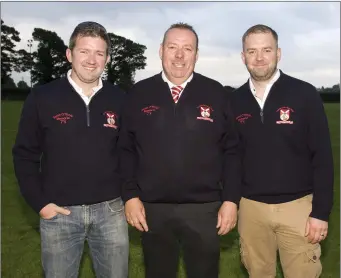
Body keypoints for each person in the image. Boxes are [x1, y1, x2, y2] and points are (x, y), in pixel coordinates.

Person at [118, 22, 241, 278]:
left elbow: (232, 150)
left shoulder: (216, 93)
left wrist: (230, 200)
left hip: (204, 208)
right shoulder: (139, 94)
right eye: (173, 47)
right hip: (152, 209)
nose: (179, 55)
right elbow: (125, 149)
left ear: (196, 54)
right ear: (161, 50)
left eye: (187, 48)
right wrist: (130, 196)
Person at [12, 21, 128, 278]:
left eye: (99, 53)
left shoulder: (120, 99)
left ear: (107, 58)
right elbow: (24, 154)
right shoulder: (42, 97)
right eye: (84, 51)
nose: (91, 59)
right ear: (69, 54)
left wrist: (128, 197)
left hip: (110, 213)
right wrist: (40, 203)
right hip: (59, 214)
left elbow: (128, 153)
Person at [230, 24, 334, 278]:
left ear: (279, 53)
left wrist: (320, 212)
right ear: (243, 57)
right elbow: (231, 157)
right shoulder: (234, 101)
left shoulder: (304, 94)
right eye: (252, 51)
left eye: (267, 50)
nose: (260, 57)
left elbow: (322, 156)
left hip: (298, 208)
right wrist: (231, 202)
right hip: (251, 209)